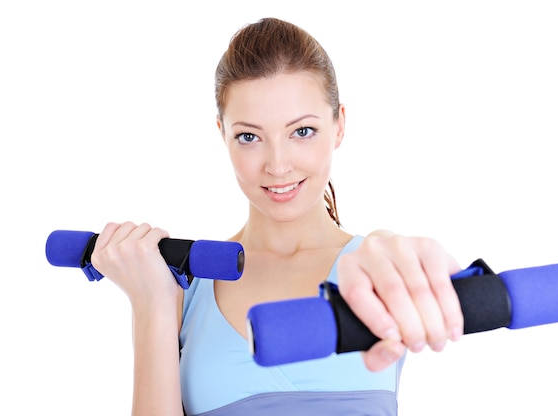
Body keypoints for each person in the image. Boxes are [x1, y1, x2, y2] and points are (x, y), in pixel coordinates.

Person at [91, 17, 464, 416]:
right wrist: (152, 305)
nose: (278, 165)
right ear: (223, 134)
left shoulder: (378, 267)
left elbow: (403, 258)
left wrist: (396, 248)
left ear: (339, 125)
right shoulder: (185, 288)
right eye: (249, 137)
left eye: (302, 131)